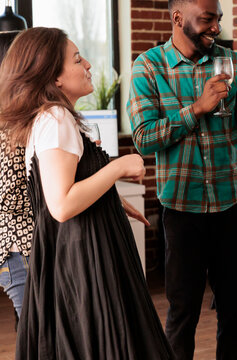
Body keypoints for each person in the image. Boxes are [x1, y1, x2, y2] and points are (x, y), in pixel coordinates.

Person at [127, 0, 237, 358]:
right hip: (182, 209)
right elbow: (143, 137)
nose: (216, 27)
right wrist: (197, 109)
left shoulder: (234, 63)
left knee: (234, 311)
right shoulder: (149, 67)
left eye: (217, 19)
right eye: (207, 19)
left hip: (232, 205)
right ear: (177, 18)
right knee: (182, 313)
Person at [0, 27, 173, 359]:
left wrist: (112, 198)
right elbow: (61, 205)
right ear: (55, 77)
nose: (89, 65)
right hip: (84, 259)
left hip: (77, 254)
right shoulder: (56, 117)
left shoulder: (49, 118)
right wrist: (119, 167)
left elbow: (63, 183)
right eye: (78, 59)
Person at [0, 30, 32, 329]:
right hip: (19, 247)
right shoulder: (10, 125)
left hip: (21, 247)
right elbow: (11, 197)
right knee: (36, 335)